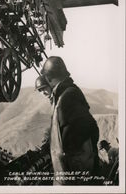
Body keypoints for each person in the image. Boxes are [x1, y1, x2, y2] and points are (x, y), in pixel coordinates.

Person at [40, 56, 100, 185]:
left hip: (73, 178)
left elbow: (77, 139)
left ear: (48, 78)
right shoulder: (65, 94)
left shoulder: (67, 96)